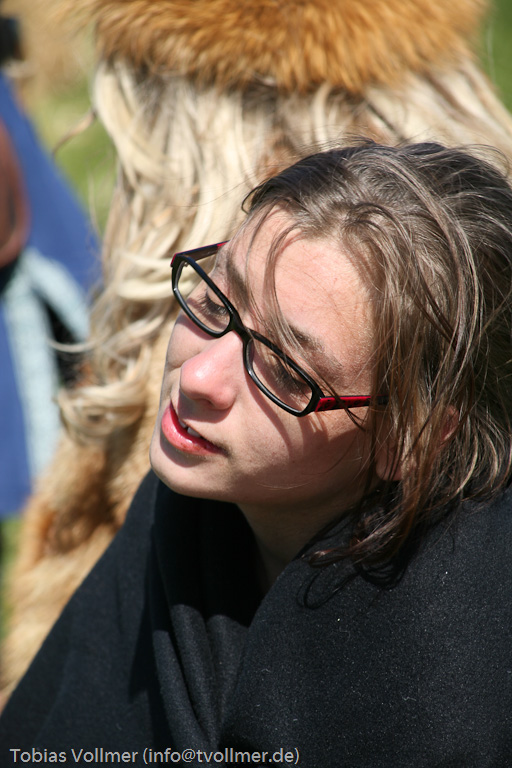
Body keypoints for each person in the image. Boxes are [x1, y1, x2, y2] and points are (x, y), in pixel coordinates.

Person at [2, 140, 512, 765]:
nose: (198, 377)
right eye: (217, 300)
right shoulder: (183, 520)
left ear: (410, 439)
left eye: (286, 370)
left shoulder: (446, 689)